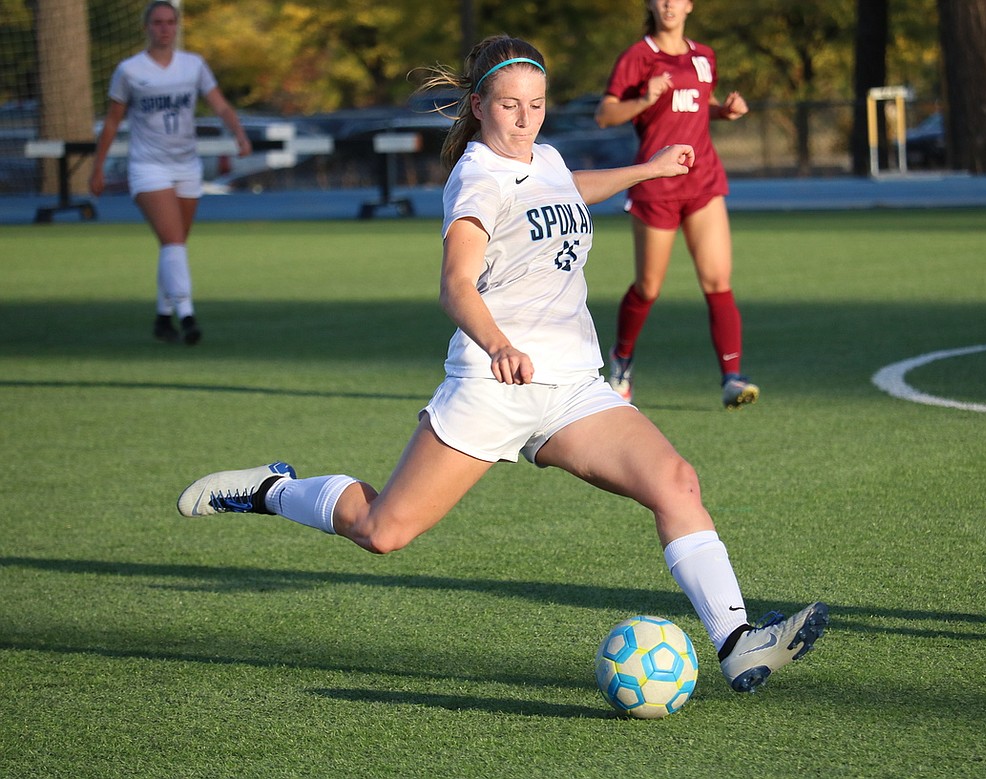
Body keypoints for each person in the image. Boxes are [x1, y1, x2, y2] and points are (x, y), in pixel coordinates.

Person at [176, 35, 827, 694]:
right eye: (511, 106)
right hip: (492, 387)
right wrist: (498, 345)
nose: (526, 119)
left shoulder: (544, 155)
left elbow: (564, 187)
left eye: (537, 105)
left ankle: (736, 641)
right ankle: (271, 488)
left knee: (676, 482)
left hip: (573, 387)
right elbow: (455, 284)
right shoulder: (477, 177)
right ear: (479, 104)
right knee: (381, 531)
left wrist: (648, 170)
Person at [595, 0, 757, 409]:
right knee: (648, 287)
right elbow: (605, 116)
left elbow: (698, 108)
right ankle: (622, 360)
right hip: (655, 184)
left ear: (689, 5)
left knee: (718, 281)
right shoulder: (638, 56)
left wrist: (725, 111)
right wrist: (644, 100)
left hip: (702, 181)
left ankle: (732, 378)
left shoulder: (705, 55)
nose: (668, 4)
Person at [89, 0, 252, 345]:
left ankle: (163, 319)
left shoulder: (193, 65)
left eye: (169, 22)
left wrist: (238, 134)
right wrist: (97, 168)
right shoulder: (130, 70)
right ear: (146, 28)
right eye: (157, 23)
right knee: (173, 242)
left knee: (173, 246)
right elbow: (113, 121)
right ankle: (188, 315)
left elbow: (220, 103)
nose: (164, 28)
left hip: (186, 165)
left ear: (177, 26)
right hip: (148, 166)